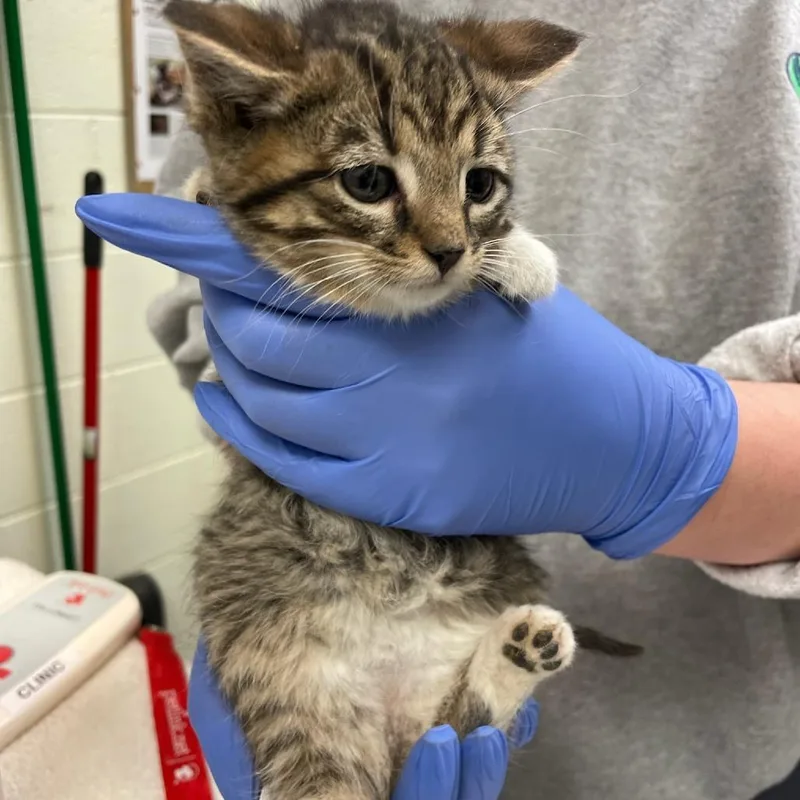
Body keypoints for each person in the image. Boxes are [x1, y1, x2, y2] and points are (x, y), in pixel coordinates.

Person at [78, 0, 800, 797]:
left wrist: (682, 451)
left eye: (479, 184)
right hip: (321, 612)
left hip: (713, 742)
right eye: (369, 180)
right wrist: (252, 360)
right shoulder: (271, 69)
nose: (448, 242)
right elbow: (218, 284)